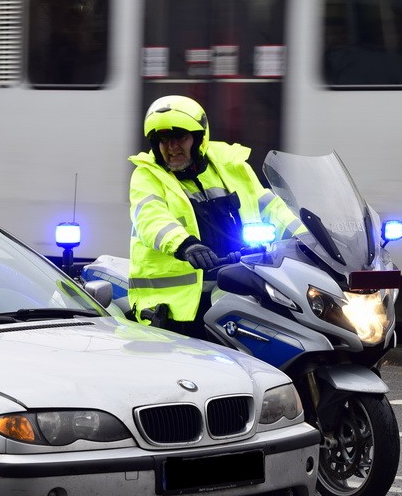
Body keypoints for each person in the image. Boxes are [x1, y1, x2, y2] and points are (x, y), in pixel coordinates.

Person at [127, 94, 306, 339]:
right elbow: (151, 218)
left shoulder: (230, 166)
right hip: (179, 305)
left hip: (239, 283)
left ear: (200, 139)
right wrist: (185, 245)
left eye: (180, 137)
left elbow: (269, 207)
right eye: (163, 140)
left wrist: (308, 238)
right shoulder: (147, 176)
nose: (172, 148)